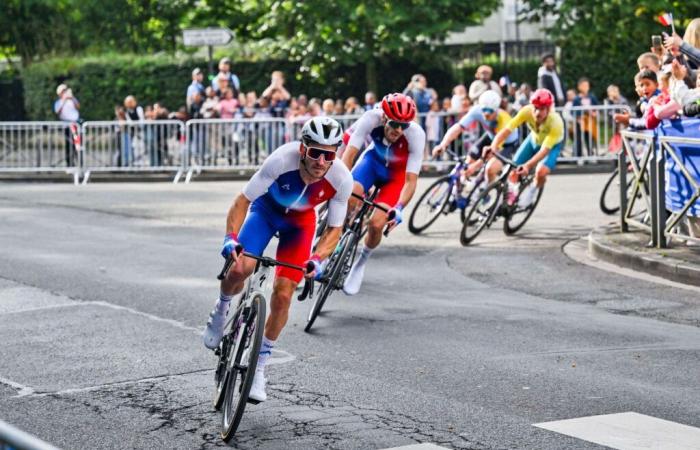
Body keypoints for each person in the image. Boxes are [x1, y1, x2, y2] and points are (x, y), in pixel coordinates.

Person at [202, 117, 352, 402]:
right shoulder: (281, 160)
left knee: (283, 294)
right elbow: (242, 201)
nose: (321, 161)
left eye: (329, 154)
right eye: (315, 152)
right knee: (241, 267)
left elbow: (334, 229)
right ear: (302, 147)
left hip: (300, 225)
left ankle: (258, 366)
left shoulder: (341, 179)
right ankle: (220, 311)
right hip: (266, 212)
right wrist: (230, 237)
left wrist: (318, 258)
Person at [340, 93, 426, 295]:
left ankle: (361, 263)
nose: (398, 130)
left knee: (376, 224)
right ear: (384, 117)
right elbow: (350, 153)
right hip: (372, 163)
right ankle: (333, 238)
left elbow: (411, 180)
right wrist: (341, 181)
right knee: (349, 197)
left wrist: (399, 208)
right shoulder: (371, 117)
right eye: (395, 124)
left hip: (395, 177)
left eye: (404, 126)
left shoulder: (416, 135)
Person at [483, 88, 564, 208]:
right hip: (533, 140)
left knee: (541, 172)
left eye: (542, 109)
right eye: (535, 108)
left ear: (548, 109)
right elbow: (507, 129)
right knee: (513, 170)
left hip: (551, 147)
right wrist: (494, 145)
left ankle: (533, 191)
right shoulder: (526, 111)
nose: (537, 113)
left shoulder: (555, 122)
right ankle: (509, 199)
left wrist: (527, 166)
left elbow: (544, 151)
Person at [432, 90, 519, 187]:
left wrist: (476, 166)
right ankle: (462, 190)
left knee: (490, 169)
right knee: (467, 163)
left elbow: (494, 150)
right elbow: (458, 128)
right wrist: (443, 144)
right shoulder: (476, 110)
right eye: (484, 110)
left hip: (507, 143)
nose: (486, 113)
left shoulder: (504, 120)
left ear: (496, 109)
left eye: (490, 111)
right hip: (490, 136)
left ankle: (486, 191)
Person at [54, 84, 81, 167]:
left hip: (75, 124)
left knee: (78, 144)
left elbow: (78, 106)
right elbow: (58, 112)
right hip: (67, 126)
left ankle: (79, 162)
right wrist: (64, 100)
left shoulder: (72, 100)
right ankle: (69, 163)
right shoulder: (58, 102)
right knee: (69, 145)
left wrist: (72, 98)